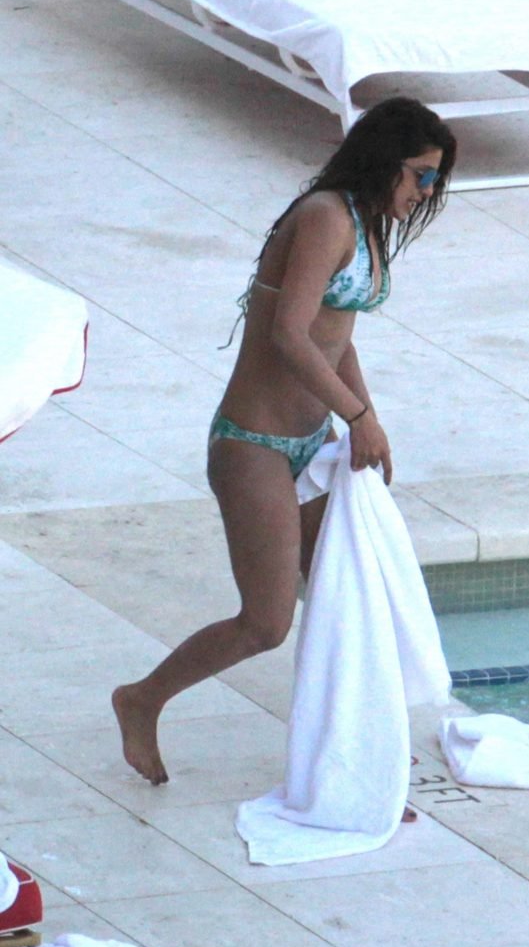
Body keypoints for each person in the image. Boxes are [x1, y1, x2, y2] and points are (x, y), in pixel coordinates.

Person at [112, 96, 457, 790]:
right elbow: (289, 335)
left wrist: (363, 419)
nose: (426, 191)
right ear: (385, 161)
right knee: (265, 623)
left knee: (350, 599)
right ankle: (142, 699)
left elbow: (338, 336)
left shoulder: (365, 224)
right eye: (421, 174)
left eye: (433, 179)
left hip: (312, 441)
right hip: (254, 445)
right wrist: (359, 417)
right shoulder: (326, 216)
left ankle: (361, 751)